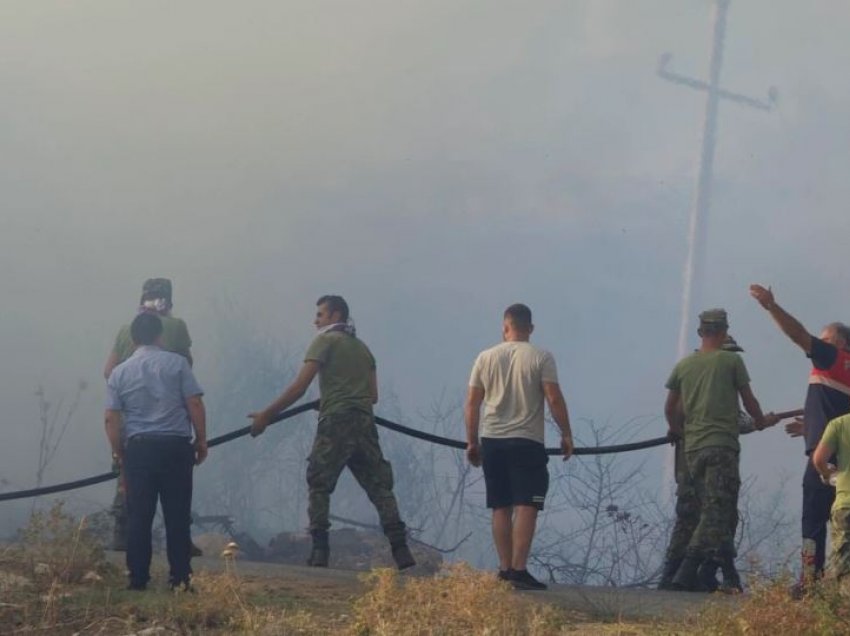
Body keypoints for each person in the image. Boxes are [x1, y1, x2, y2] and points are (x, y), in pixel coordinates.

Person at [249, 295, 415, 570]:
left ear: (336, 315)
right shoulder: (363, 349)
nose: (315, 320)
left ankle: (319, 551)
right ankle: (401, 549)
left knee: (319, 482)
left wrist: (266, 415)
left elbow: (299, 387)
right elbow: (373, 396)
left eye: (320, 315)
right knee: (380, 487)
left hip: (335, 420)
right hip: (364, 424)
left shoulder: (324, 342)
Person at [664, 309, 777, 591]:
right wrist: (763, 421)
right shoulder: (729, 364)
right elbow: (745, 416)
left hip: (690, 454)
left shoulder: (686, 368)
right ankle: (691, 570)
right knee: (719, 512)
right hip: (719, 448)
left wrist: (678, 431)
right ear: (724, 335)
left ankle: (684, 573)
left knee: (692, 514)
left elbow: (672, 410)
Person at [464, 303, 574, 591]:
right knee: (527, 504)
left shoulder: (485, 357)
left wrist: (472, 441)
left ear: (505, 327)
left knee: (500, 505)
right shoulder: (541, 357)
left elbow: (473, 402)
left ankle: (503, 568)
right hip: (527, 440)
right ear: (531, 328)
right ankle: (518, 568)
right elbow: (553, 397)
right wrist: (566, 433)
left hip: (492, 440)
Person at [750, 283, 850, 591]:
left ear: (841, 344)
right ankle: (837, 583)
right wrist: (812, 427)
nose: (819, 346)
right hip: (845, 462)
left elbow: (798, 335)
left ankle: (809, 581)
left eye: (826, 340)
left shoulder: (834, 359)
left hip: (826, 459)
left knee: (814, 521)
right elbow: (841, 417)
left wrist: (771, 307)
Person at [105, 313, 207, 591]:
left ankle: (138, 579)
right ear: (160, 336)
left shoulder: (119, 373)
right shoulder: (178, 364)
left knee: (139, 515)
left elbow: (111, 419)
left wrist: (119, 453)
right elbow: (194, 403)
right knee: (177, 515)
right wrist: (201, 441)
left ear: (133, 339)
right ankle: (180, 579)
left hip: (139, 449)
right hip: (176, 448)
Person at [103, 278, 196, 553]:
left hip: (131, 415)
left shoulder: (126, 329)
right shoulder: (176, 326)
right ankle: (181, 541)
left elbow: (109, 371)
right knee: (176, 484)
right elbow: (187, 365)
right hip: (170, 420)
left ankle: (122, 532)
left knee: (127, 471)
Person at [812, 412, 850, 587]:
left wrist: (829, 475)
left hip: (845, 505)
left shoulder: (839, 424)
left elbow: (819, 459)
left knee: (844, 571)